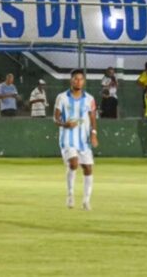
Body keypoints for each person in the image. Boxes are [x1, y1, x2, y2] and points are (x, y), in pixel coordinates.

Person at [54, 69, 98, 210]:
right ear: (71, 80)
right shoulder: (62, 97)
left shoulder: (90, 99)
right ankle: (70, 195)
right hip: (67, 138)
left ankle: (86, 201)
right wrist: (64, 124)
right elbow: (56, 117)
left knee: (88, 168)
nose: (78, 81)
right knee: (73, 163)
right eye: (75, 79)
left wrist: (94, 133)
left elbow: (92, 118)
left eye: (81, 79)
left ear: (84, 81)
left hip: (83, 140)